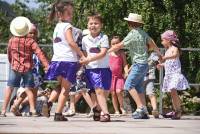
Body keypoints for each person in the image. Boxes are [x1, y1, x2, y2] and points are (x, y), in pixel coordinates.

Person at [108, 13, 162, 119]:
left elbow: (119, 45)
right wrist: (160, 55)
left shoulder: (132, 33)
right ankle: (145, 111)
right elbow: (153, 43)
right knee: (139, 87)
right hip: (145, 64)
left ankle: (140, 107)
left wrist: (106, 52)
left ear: (130, 23)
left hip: (138, 64)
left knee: (128, 85)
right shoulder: (143, 33)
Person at [45, 0, 85, 121]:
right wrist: (81, 55)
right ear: (60, 14)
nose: (71, 15)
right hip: (68, 61)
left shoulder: (57, 27)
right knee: (66, 89)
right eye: (69, 13)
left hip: (56, 60)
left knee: (59, 86)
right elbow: (71, 42)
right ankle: (58, 114)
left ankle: (49, 102)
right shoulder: (68, 26)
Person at [0, 16, 49, 117]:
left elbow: (9, 54)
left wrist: (13, 63)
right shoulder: (31, 42)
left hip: (15, 68)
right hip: (28, 68)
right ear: (26, 30)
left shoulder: (11, 40)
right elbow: (39, 54)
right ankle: (33, 110)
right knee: (29, 89)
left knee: (10, 88)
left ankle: (3, 110)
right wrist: (46, 65)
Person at [80, 13, 112, 122]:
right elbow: (84, 53)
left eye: (96, 23)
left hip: (103, 68)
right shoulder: (84, 39)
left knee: (103, 91)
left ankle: (101, 111)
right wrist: (83, 61)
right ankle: (102, 112)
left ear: (101, 25)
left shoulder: (104, 37)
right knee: (95, 91)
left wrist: (88, 59)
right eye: (91, 23)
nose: (93, 25)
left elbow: (103, 53)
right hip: (90, 69)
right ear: (87, 25)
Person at [157, 30, 189, 119]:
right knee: (172, 93)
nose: (162, 42)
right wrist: (161, 65)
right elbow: (168, 62)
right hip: (169, 75)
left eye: (163, 40)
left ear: (168, 40)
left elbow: (175, 55)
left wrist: (165, 57)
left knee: (173, 91)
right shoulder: (167, 50)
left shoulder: (174, 48)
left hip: (175, 73)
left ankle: (178, 111)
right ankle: (176, 110)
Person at [109, 36, 128, 116]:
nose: (115, 45)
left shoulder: (121, 53)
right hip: (110, 77)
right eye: (113, 44)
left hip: (119, 76)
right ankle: (116, 110)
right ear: (110, 45)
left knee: (119, 91)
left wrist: (126, 72)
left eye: (117, 43)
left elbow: (125, 64)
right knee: (113, 93)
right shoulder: (109, 53)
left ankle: (121, 107)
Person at [143, 51, 159, 118]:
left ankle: (155, 109)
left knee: (151, 93)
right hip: (140, 78)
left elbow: (158, 59)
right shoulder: (139, 53)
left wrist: (159, 64)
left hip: (150, 77)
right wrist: (127, 72)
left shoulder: (152, 54)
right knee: (141, 94)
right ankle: (143, 111)